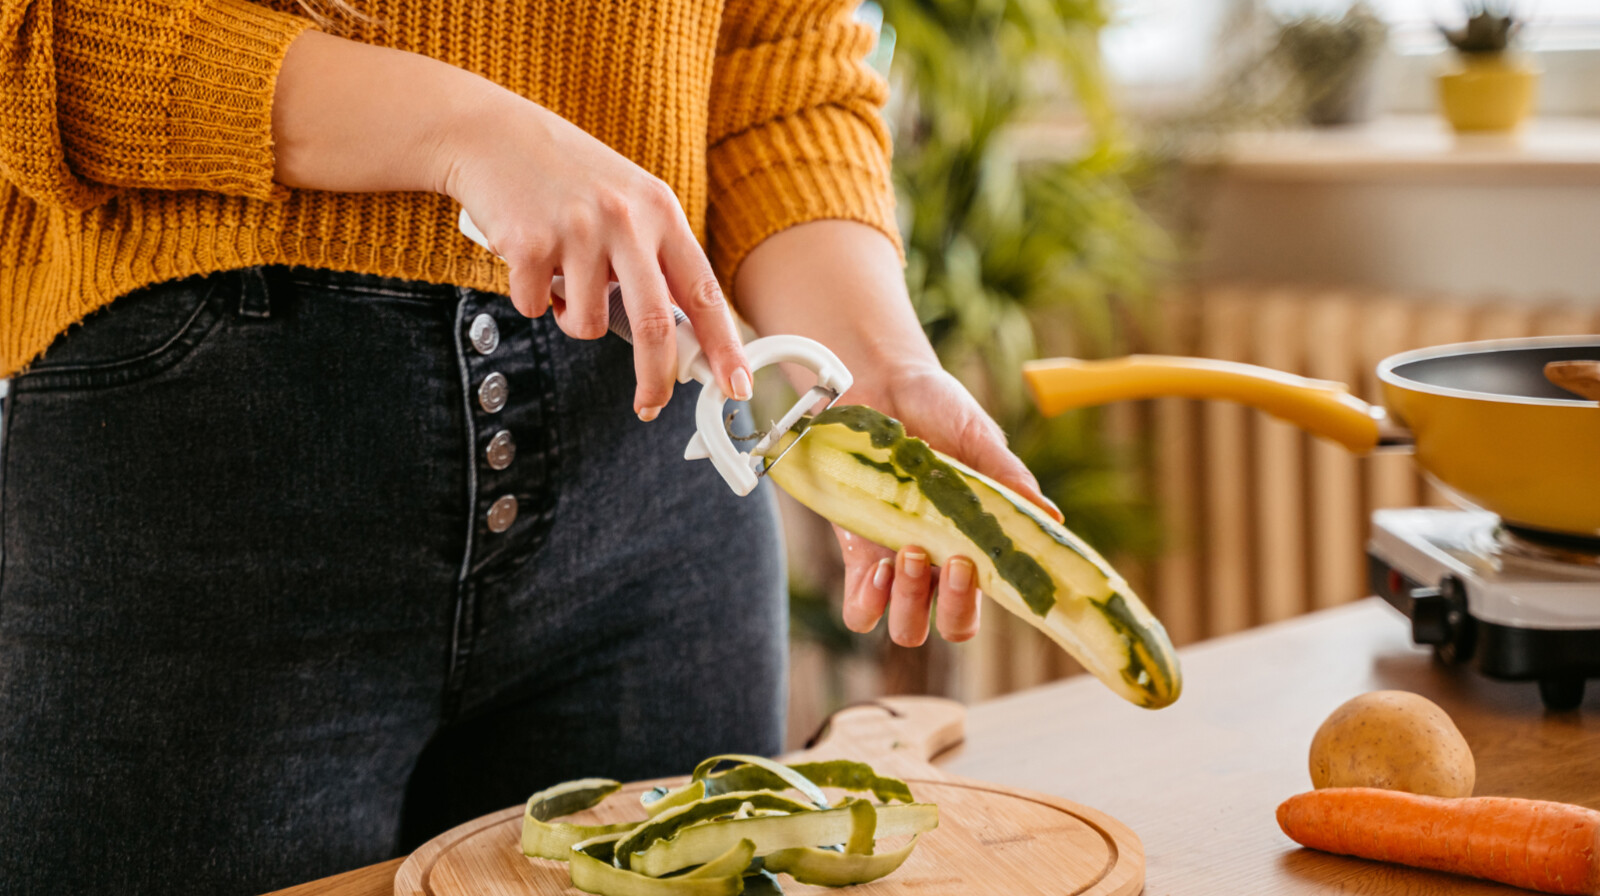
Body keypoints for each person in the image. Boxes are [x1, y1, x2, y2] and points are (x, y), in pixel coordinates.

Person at [0, 0, 1061, 892]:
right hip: (197, 487)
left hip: (650, 489)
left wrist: (876, 365)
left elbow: (773, 56)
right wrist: (467, 129)